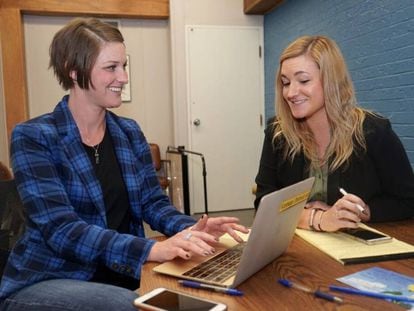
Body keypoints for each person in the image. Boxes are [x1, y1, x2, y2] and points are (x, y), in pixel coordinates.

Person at [0, 18, 248, 310]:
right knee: (134, 306)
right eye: (111, 67)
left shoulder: (128, 131)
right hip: (49, 278)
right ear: (74, 69)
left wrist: (194, 229)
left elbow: (152, 203)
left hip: (118, 271)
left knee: (207, 293)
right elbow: (62, 230)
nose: (124, 77)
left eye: (124, 66)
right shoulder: (34, 136)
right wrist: (152, 248)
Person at [255, 35, 414, 233]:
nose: (290, 93)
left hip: (354, 250)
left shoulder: (373, 131)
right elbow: (263, 202)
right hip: (297, 249)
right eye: (285, 83)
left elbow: (408, 201)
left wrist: (364, 211)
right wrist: (317, 218)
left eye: (303, 80)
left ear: (331, 80)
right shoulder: (278, 134)